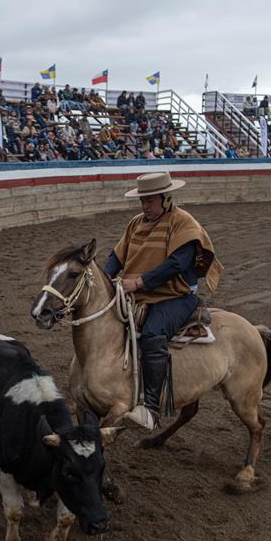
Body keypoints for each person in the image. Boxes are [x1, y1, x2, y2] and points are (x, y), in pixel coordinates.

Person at [102, 172, 222, 430]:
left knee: (153, 332)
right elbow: (116, 257)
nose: (145, 206)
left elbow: (176, 264)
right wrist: (103, 279)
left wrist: (137, 283)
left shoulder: (184, 223)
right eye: (142, 201)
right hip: (140, 294)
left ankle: (151, 407)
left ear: (166, 199)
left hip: (175, 296)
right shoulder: (136, 223)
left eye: (150, 201)